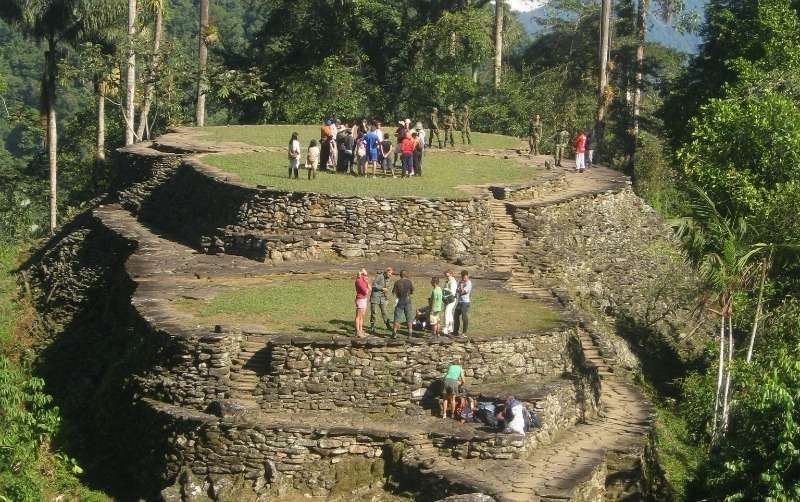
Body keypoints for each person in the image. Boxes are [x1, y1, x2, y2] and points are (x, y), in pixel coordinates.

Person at [369, 267, 393, 335]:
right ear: (386, 272)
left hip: (382, 298)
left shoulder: (389, 279)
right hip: (375, 296)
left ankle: (387, 325)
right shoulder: (379, 276)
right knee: (374, 312)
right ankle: (372, 326)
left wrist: (386, 297)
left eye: (391, 273)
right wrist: (381, 288)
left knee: (384, 312)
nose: (391, 275)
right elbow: (374, 285)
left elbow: (387, 288)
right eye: (390, 273)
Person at [391, 270, 414, 337]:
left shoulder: (397, 282)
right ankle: (410, 333)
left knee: (397, 317)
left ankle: (394, 333)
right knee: (409, 318)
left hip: (400, 301)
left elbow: (394, 292)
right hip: (408, 301)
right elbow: (412, 291)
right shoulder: (409, 282)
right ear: (406, 275)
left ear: (400, 275)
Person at [453, 270, 472, 336]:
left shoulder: (469, 283)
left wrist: (461, 286)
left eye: (465, 277)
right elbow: (457, 290)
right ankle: (455, 331)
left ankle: (464, 332)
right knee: (455, 315)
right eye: (463, 277)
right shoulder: (460, 282)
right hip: (460, 302)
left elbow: (463, 292)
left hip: (465, 302)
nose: (464, 279)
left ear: (467, 276)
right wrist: (459, 287)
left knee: (464, 316)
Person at [354, 268, 370, 337]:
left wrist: (367, 284)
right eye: (365, 274)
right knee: (358, 316)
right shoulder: (359, 281)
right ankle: (358, 332)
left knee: (362, 316)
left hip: (363, 299)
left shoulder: (363, 280)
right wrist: (367, 286)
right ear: (361, 274)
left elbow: (369, 288)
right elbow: (366, 291)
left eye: (366, 275)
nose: (366, 276)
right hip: (360, 299)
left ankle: (361, 330)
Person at [442, 270, 458, 335]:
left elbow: (453, 292)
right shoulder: (447, 281)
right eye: (446, 276)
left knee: (447, 312)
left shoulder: (453, 282)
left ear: (451, 274)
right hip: (447, 299)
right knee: (449, 312)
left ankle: (446, 327)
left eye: (447, 276)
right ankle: (450, 327)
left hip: (451, 299)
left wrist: (446, 289)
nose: (446, 277)